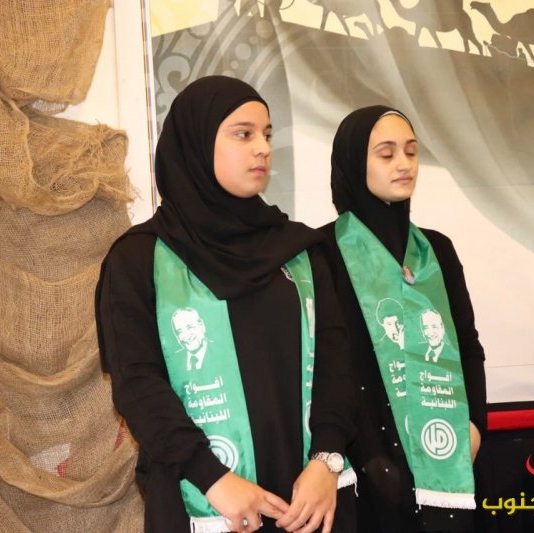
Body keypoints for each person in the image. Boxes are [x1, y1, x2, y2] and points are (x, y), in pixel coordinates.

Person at [95, 76, 357, 533]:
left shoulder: (302, 251)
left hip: (309, 499)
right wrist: (213, 477)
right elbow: (137, 384)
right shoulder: (139, 258)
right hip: (204, 496)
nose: (263, 149)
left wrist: (327, 460)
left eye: (267, 135)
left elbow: (338, 364)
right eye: (243, 134)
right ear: (196, 143)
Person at [319, 106, 487, 532]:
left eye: (411, 152)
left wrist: (475, 427)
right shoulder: (323, 252)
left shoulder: (437, 250)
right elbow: (329, 366)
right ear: (354, 162)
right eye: (386, 153)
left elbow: (467, 346)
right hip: (365, 461)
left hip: (446, 450)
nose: (404, 164)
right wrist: (368, 455)